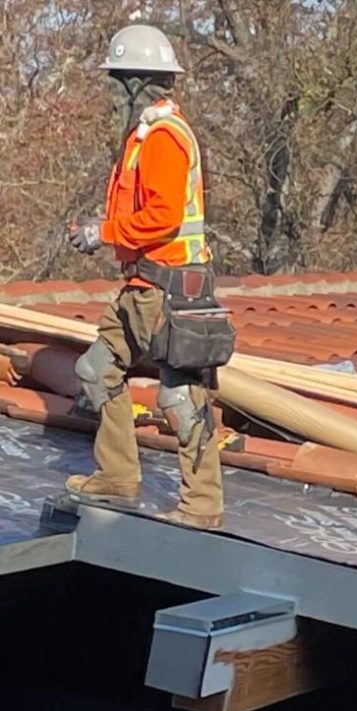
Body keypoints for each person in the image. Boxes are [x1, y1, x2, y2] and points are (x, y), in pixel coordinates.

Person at [66, 24, 226, 529]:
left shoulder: (163, 139)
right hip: (142, 287)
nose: (113, 93)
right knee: (97, 370)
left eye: (118, 82)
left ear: (139, 83)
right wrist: (107, 228)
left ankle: (201, 505)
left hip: (170, 289)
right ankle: (117, 475)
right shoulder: (142, 136)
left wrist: (104, 231)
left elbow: (161, 219)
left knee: (181, 396)